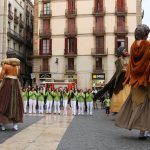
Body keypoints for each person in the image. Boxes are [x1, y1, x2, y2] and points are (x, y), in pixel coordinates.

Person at [115, 24, 150, 139]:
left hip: (135, 81)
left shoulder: (133, 46)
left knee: (137, 105)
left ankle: (141, 132)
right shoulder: (148, 45)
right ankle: (145, 130)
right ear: (145, 35)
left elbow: (130, 64)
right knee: (147, 107)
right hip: (146, 81)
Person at [95, 46, 130, 114]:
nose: (126, 52)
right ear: (121, 52)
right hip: (121, 81)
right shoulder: (119, 60)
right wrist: (129, 70)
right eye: (124, 50)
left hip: (126, 80)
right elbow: (120, 70)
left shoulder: (124, 60)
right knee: (121, 94)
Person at [0, 58, 24, 131]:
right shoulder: (18, 67)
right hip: (16, 84)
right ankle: (15, 125)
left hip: (7, 83)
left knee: (3, 101)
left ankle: (2, 125)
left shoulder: (6, 66)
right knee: (16, 104)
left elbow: (1, 76)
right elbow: (18, 75)